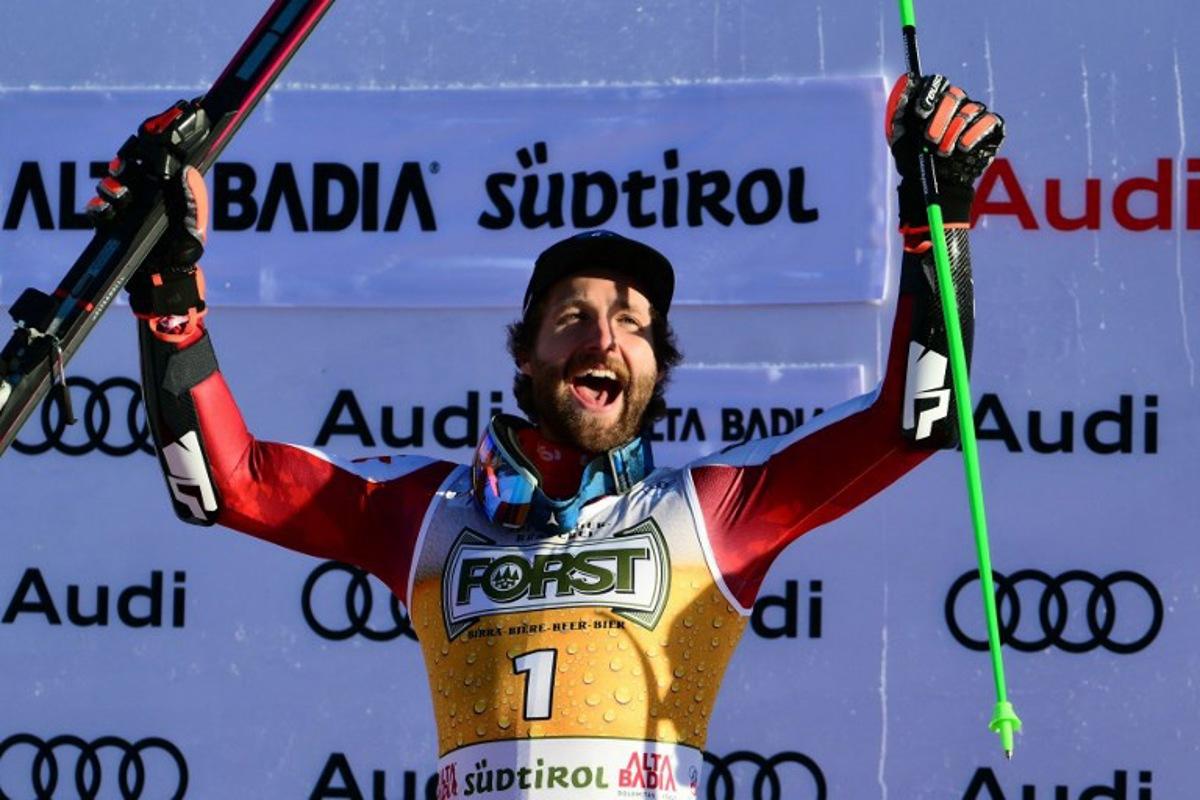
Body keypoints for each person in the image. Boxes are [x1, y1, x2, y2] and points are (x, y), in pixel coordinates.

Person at [92, 73, 1003, 798]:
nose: (604, 337)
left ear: (657, 366)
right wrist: (168, 290)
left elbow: (915, 420)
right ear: (525, 356)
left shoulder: (714, 513)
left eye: (633, 324)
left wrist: (942, 222)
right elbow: (222, 481)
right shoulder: (425, 511)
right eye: (574, 315)